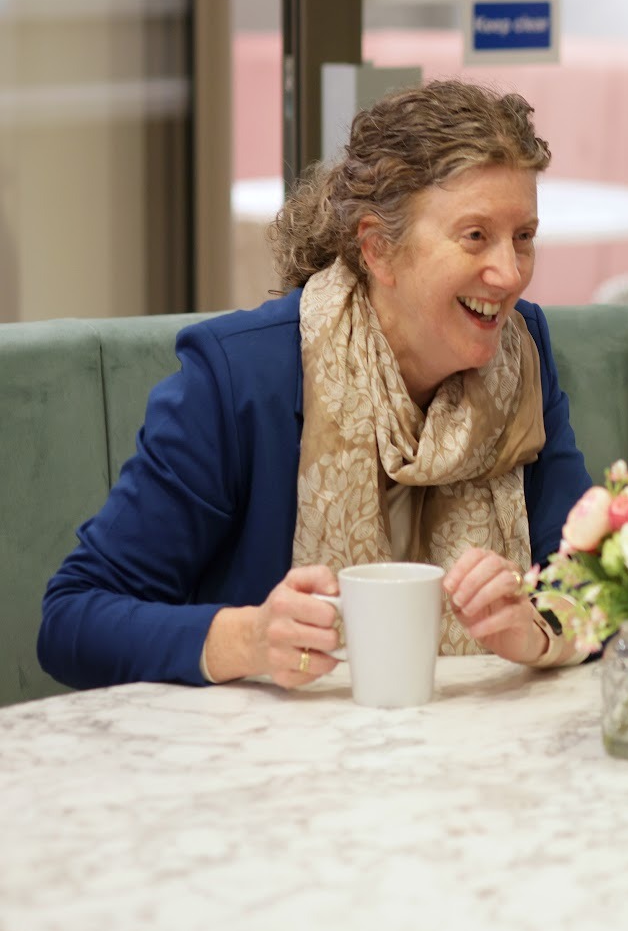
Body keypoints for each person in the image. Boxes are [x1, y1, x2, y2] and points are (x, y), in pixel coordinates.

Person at [39, 80, 591, 690]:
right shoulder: (242, 377)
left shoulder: (523, 352)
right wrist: (246, 639)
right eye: (475, 236)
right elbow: (71, 620)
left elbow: (601, 583)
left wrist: (538, 628)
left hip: (480, 761)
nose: (510, 274)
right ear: (379, 249)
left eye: (524, 237)